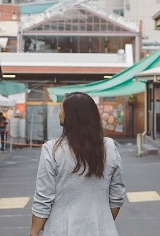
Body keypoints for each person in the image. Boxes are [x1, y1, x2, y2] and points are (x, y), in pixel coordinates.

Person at [31, 92, 125, 236]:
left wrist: (34, 233)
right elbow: (117, 196)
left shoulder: (52, 150)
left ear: (71, 115)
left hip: (61, 229)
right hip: (102, 229)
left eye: (62, 109)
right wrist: (101, 221)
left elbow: (43, 198)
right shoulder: (109, 147)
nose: (59, 113)